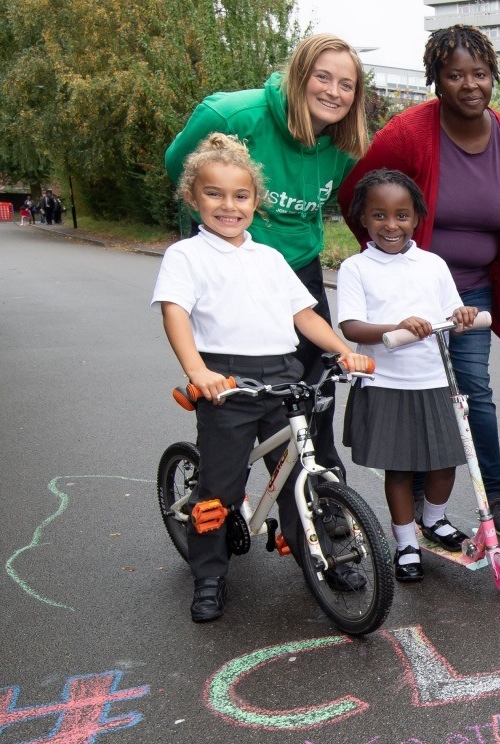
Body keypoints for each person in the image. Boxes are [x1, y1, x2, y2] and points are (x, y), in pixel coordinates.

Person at [150, 133, 373, 623]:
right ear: (193, 197)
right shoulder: (187, 256)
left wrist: (343, 351)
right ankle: (209, 574)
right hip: (224, 383)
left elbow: (306, 316)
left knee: (298, 478)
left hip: (283, 375)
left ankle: (322, 561)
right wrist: (197, 372)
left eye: (241, 196)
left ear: (256, 201)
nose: (229, 206)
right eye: (215, 194)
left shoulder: (269, 258)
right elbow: (175, 314)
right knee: (220, 491)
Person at [337, 25, 500, 539]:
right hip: (410, 295)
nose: (470, 84)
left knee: (473, 393)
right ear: (436, 82)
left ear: (493, 77)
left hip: (470, 294)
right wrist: (387, 256)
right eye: (455, 75)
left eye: (481, 74)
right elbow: (358, 194)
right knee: (418, 392)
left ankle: (494, 496)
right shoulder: (406, 134)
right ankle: (420, 506)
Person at [166, 33, 368, 493]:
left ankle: (316, 491)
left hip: (295, 264)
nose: (334, 92)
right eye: (323, 77)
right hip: (235, 256)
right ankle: (222, 486)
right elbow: (180, 166)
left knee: (315, 386)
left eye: (346, 84)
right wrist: (216, 235)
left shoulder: (340, 143)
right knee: (240, 381)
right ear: (299, 75)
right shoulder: (234, 114)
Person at [336, 169, 478, 583]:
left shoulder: (432, 264)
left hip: (436, 379)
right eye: (379, 215)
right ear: (363, 218)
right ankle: (406, 542)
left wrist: (464, 314)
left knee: (445, 459)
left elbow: (454, 312)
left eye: (401, 215)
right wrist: (393, 327)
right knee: (399, 468)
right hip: (386, 383)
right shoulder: (355, 268)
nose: (390, 225)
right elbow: (350, 327)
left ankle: (433, 520)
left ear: (417, 217)